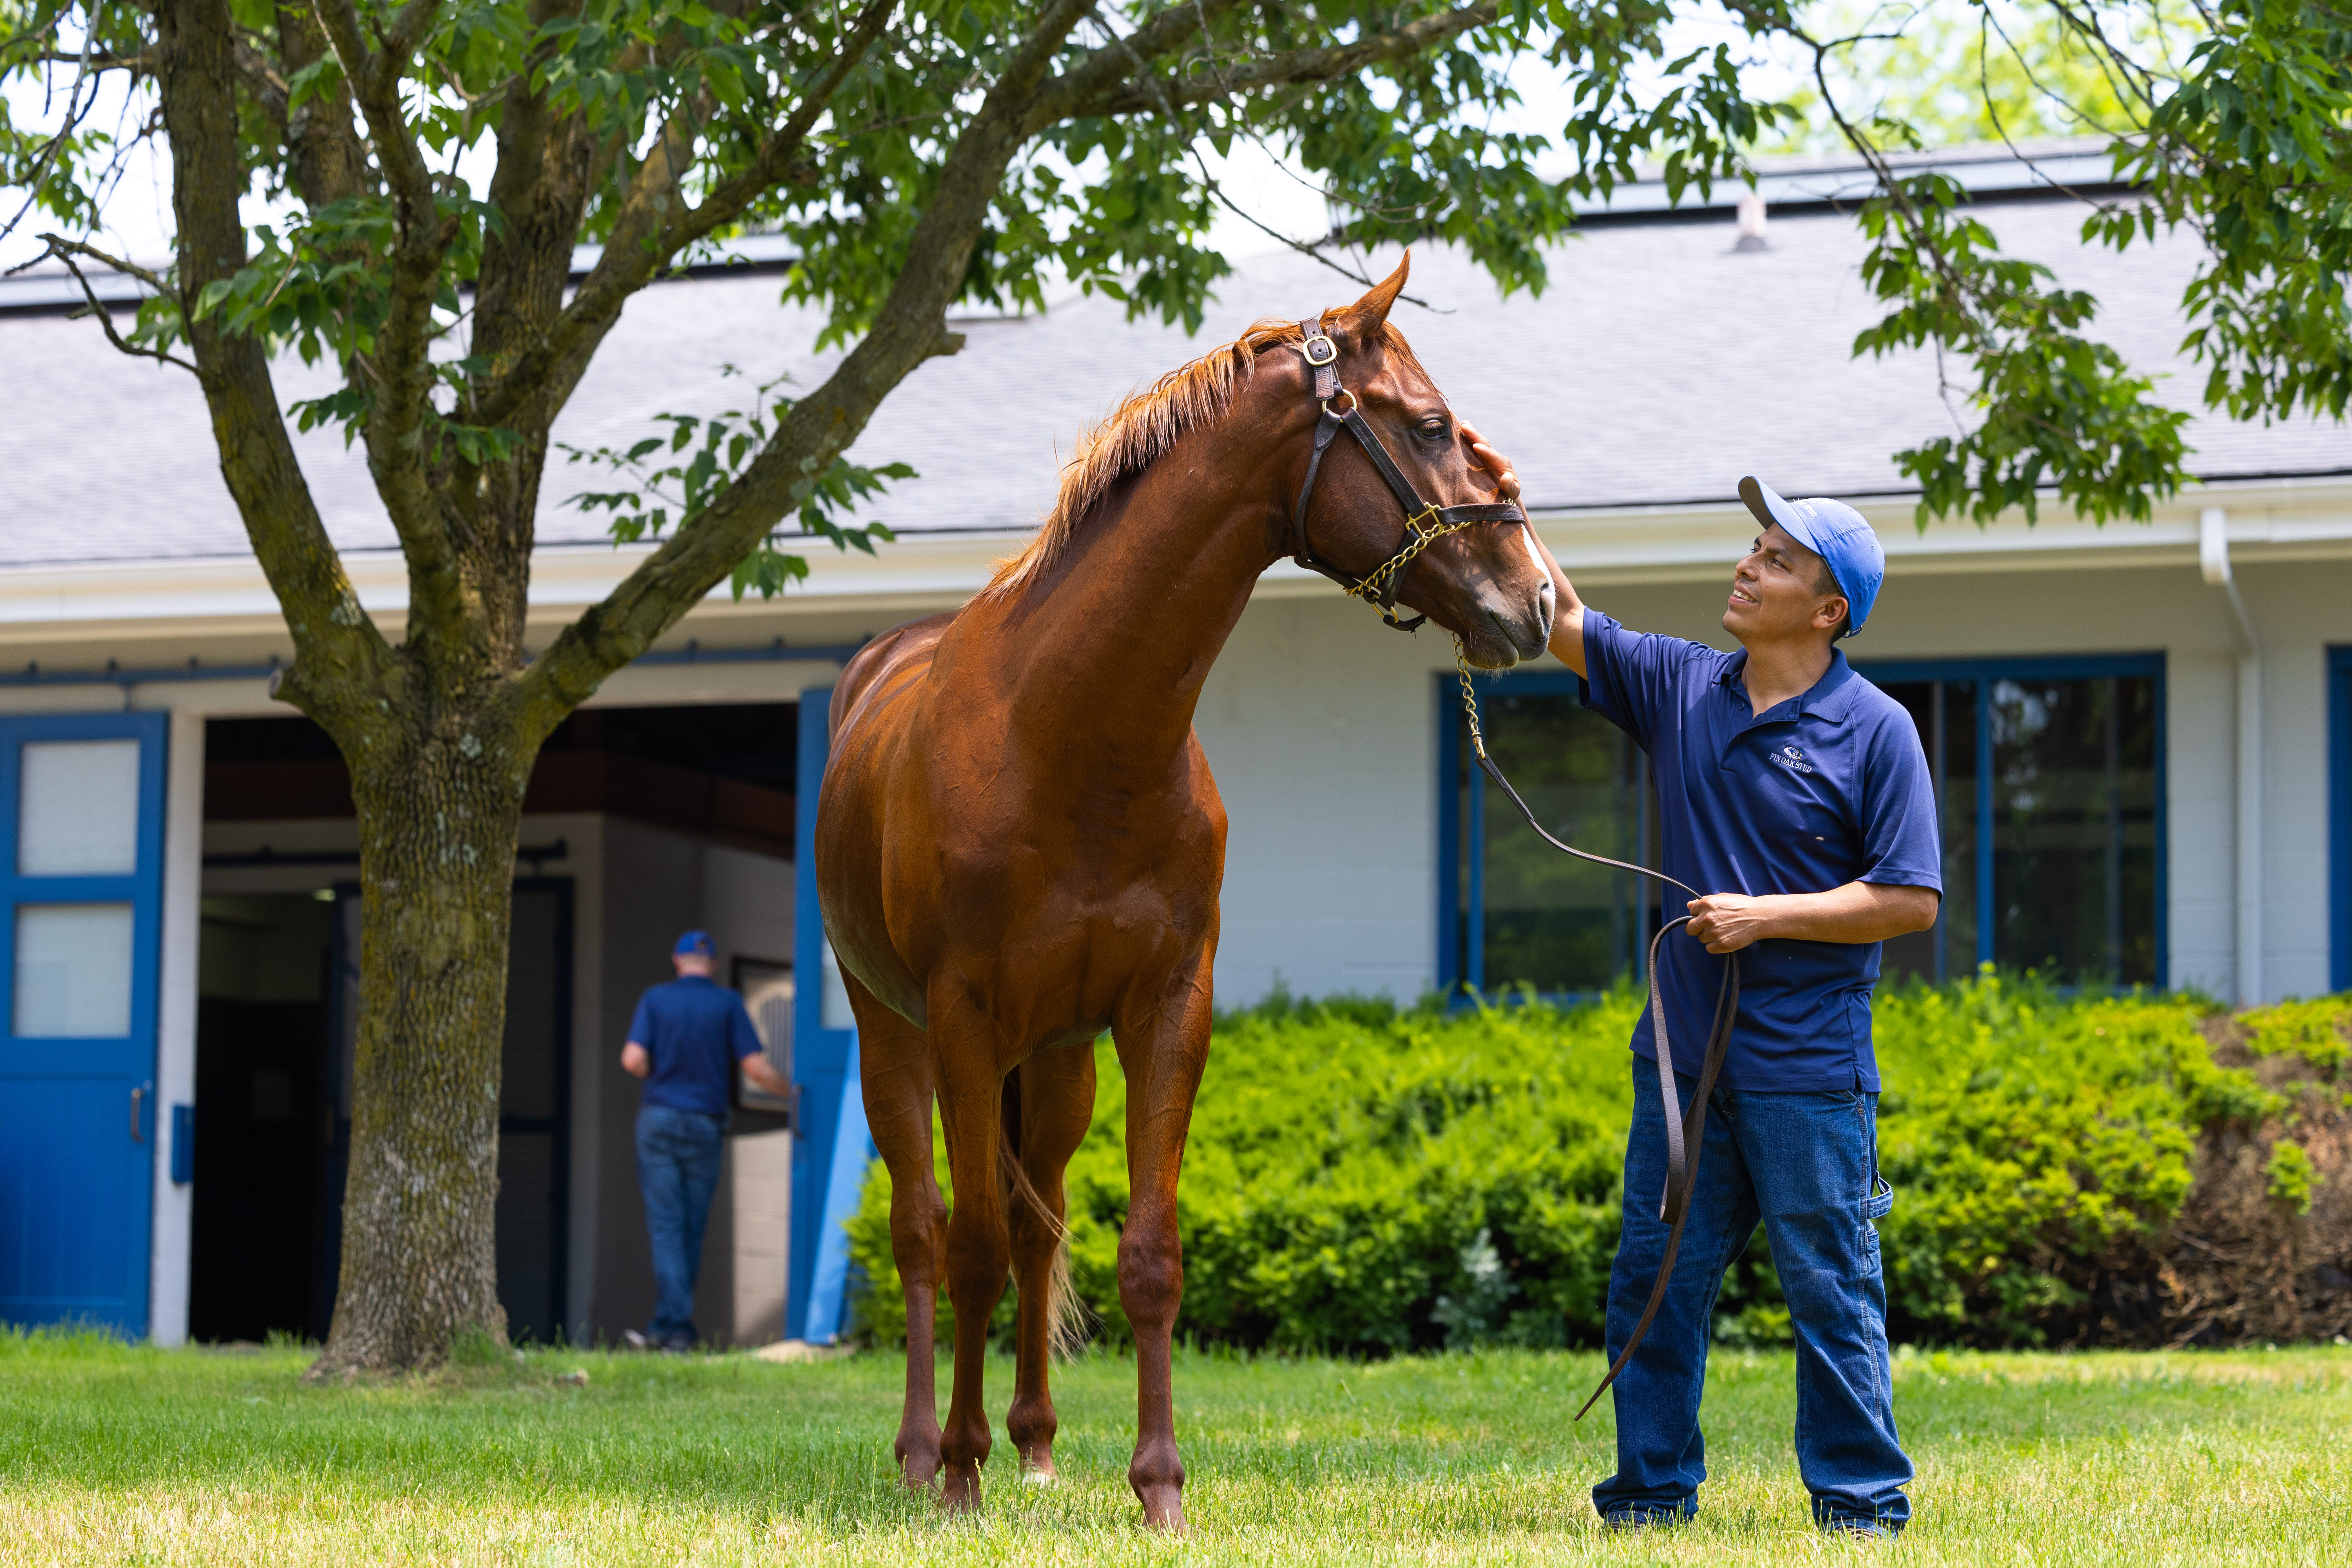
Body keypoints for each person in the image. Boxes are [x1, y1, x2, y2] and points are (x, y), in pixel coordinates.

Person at [1464, 431, 1940, 1537]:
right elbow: (1559, 618)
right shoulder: (1680, 683)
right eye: (1752, 547)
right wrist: (1504, 504)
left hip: (1809, 1074)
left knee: (1831, 1289)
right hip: (1680, 1063)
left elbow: (1908, 898)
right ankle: (1647, 1496)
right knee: (1655, 1282)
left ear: (1826, 610)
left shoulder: (1876, 731)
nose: (1746, 565)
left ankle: (1860, 1506)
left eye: (1776, 560)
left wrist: (1764, 916)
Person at [620, 929, 794, 1352]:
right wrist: (795, 1093)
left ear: (677, 960)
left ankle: (670, 1328)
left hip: (659, 1120)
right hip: (704, 1125)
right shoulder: (728, 1003)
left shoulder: (655, 999)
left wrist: (660, 1076)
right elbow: (756, 1068)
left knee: (666, 1226)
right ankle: (673, 1329)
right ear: (713, 965)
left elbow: (632, 1060)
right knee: (692, 1228)